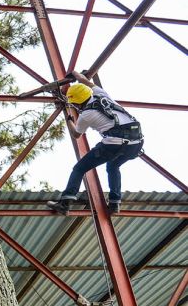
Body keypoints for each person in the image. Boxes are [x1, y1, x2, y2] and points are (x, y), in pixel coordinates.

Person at [47, 71, 144, 215]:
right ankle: (114, 203)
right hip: (136, 143)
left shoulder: (86, 115)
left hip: (113, 144)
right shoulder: (101, 94)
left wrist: (69, 121)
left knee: (79, 169)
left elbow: (76, 134)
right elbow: (85, 80)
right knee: (113, 166)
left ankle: (65, 203)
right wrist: (75, 73)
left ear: (77, 102)